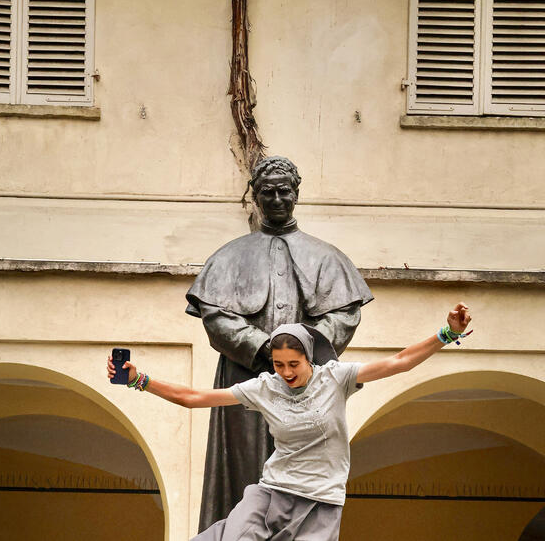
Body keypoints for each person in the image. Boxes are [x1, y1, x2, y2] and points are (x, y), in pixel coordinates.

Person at [107, 303, 472, 541]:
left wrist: (447, 333)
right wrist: (140, 379)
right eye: (279, 365)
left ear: (309, 358)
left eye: (293, 365)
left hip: (322, 502)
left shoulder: (337, 378)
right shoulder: (265, 387)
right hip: (273, 493)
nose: (285, 373)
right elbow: (194, 397)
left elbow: (400, 361)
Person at [185, 155, 373, 531]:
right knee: (241, 471)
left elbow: (344, 315)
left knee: (304, 475)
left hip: (307, 384)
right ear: (255, 197)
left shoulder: (326, 258)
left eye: (283, 191)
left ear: (296, 194)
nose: (275, 199)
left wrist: (301, 355)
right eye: (266, 192)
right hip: (245, 372)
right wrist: (262, 349)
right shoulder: (229, 257)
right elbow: (216, 316)